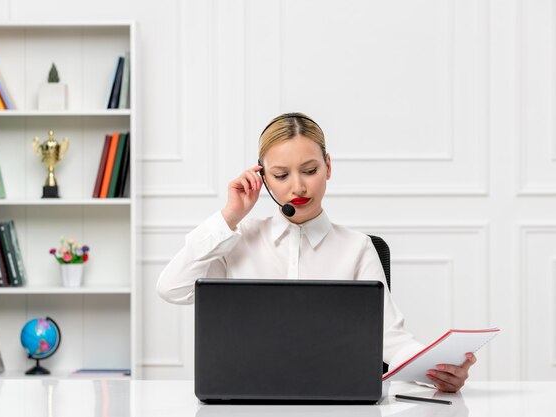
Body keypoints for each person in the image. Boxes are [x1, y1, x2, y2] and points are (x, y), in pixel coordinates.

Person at [157, 112, 476, 392]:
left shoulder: (357, 247)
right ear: (263, 179)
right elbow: (172, 289)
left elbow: (391, 340)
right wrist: (229, 217)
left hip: (336, 403)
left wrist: (436, 371)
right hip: (245, 399)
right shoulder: (234, 239)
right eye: (281, 175)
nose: (297, 187)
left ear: (328, 167)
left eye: (309, 170)